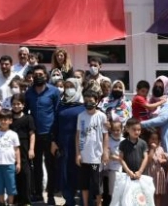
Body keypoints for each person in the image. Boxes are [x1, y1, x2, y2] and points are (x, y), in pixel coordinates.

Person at [24, 64, 61, 204]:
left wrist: (55, 137)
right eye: (36, 74)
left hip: (50, 134)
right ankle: (38, 194)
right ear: (32, 76)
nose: (38, 77)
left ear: (46, 76)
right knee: (36, 166)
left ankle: (51, 194)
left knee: (51, 166)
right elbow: (25, 112)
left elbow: (58, 113)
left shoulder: (54, 91)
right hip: (34, 135)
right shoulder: (29, 93)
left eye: (41, 74)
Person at [51, 78, 85, 206]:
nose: (69, 89)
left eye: (72, 86)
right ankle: (68, 200)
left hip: (78, 146)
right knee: (64, 173)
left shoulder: (83, 107)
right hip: (63, 145)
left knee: (79, 173)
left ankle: (82, 201)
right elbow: (55, 124)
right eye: (67, 86)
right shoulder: (61, 105)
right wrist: (53, 141)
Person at [75, 90, 109, 206]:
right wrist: (78, 153)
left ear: (96, 101)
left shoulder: (101, 116)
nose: (88, 103)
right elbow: (78, 135)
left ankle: (98, 204)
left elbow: (105, 135)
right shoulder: (81, 116)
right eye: (86, 100)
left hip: (96, 157)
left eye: (91, 101)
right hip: (84, 156)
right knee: (84, 184)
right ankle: (85, 204)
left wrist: (105, 152)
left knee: (97, 184)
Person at [0, 111, 21, 206]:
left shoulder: (13, 134)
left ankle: (10, 203)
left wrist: (18, 163)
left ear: (10, 121)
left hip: (10, 164)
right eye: (1, 119)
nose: (3, 121)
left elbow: (16, 150)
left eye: (6, 119)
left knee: (10, 186)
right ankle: (1, 203)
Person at [141, 76, 168, 158]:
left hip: (163, 138)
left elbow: (161, 119)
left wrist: (141, 124)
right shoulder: (150, 101)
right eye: (156, 86)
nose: (157, 88)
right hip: (150, 138)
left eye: (160, 87)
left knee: (165, 161)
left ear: (165, 88)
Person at [10, 93, 36, 206]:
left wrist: (31, 149)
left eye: (18, 104)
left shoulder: (28, 118)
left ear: (23, 105)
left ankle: (26, 200)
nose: (16, 106)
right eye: (14, 104)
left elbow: (32, 134)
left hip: (24, 147)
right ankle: (16, 199)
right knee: (14, 173)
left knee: (25, 174)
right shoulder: (9, 118)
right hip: (11, 149)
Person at [118, 118, 149, 183]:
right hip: (127, 175)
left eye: (139, 130)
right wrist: (128, 171)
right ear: (127, 129)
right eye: (134, 130)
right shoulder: (123, 143)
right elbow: (121, 158)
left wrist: (140, 171)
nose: (137, 132)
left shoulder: (143, 143)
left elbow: (145, 157)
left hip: (141, 175)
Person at [145, 128, 168, 206]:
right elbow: (148, 159)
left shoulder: (161, 148)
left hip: (159, 173)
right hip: (150, 172)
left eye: (156, 139)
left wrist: (164, 160)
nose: (154, 141)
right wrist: (152, 149)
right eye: (152, 139)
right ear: (148, 139)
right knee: (149, 193)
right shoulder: (147, 149)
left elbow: (164, 159)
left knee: (158, 194)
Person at [104, 120, 124, 206]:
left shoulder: (124, 141)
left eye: (118, 130)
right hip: (111, 169)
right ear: (110, 130)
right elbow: (107, 154)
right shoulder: (108, 140)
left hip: (123, 169)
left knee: (121, 190)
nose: (116, 132)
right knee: (112, 191)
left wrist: (118, 158)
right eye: (113, 130)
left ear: (122, 129)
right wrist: (117, 158)